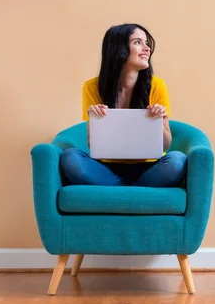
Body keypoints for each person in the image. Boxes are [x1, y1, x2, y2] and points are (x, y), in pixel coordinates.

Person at [60, 23, 187, 187]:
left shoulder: (156, 86)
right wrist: (97, 120)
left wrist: (159, 120)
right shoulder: (92, 88)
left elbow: (166, 145)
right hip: (107, 167)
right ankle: (134, 189)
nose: (147, 48)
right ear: (118, 48)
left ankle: (121, 188)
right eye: (138, 42)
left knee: (177, 161)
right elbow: (94, 146)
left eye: (146, 43)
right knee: (70, 157)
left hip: (149, 167)